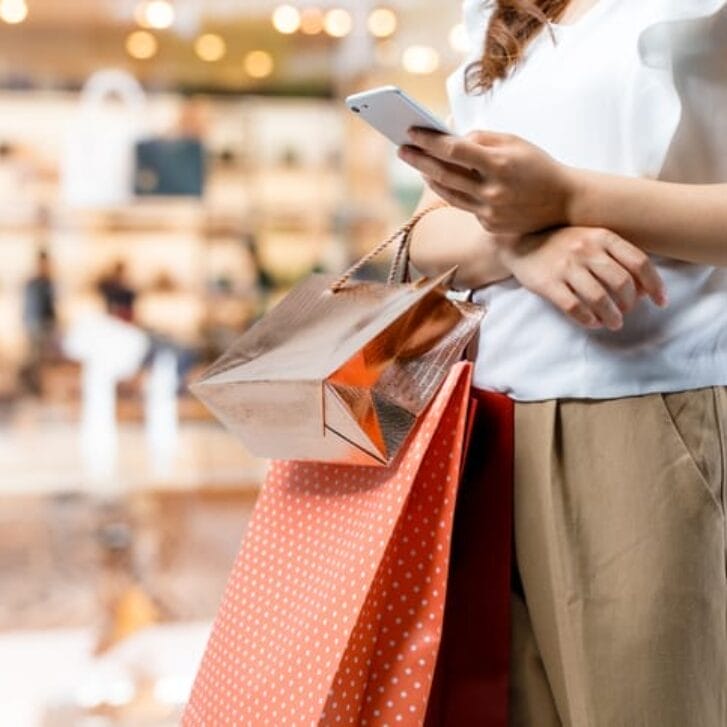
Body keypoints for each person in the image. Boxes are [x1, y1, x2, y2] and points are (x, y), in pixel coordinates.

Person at [400, 1, 727, 725]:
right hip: (485, 424)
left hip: (647, 413)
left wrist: (570, 198)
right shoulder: (503, 13)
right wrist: (524, 244)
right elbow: (426, 230)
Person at [22, 249, 58, 393]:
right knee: (35, 360)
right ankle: (35, 389)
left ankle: (45, 389)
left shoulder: (50, 282)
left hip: (48, 326)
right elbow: (29, 307)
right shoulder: (33, 284)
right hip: (36, 327)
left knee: (48, 360)